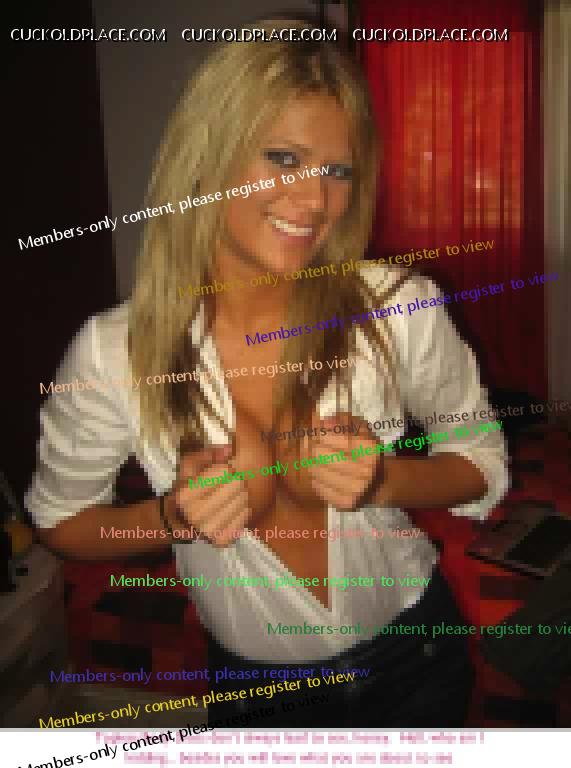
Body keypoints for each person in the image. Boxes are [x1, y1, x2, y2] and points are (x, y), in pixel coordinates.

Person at [26, 19, 508, 726]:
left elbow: (481, 459)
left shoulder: (397, 305)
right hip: (259, 693)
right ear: (207, 158)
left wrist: (385, 479)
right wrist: (169, 518)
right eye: (284, 158)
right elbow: (61, 522)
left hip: (417, 656)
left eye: (339, 171)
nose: (315, 202)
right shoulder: (114, 350)